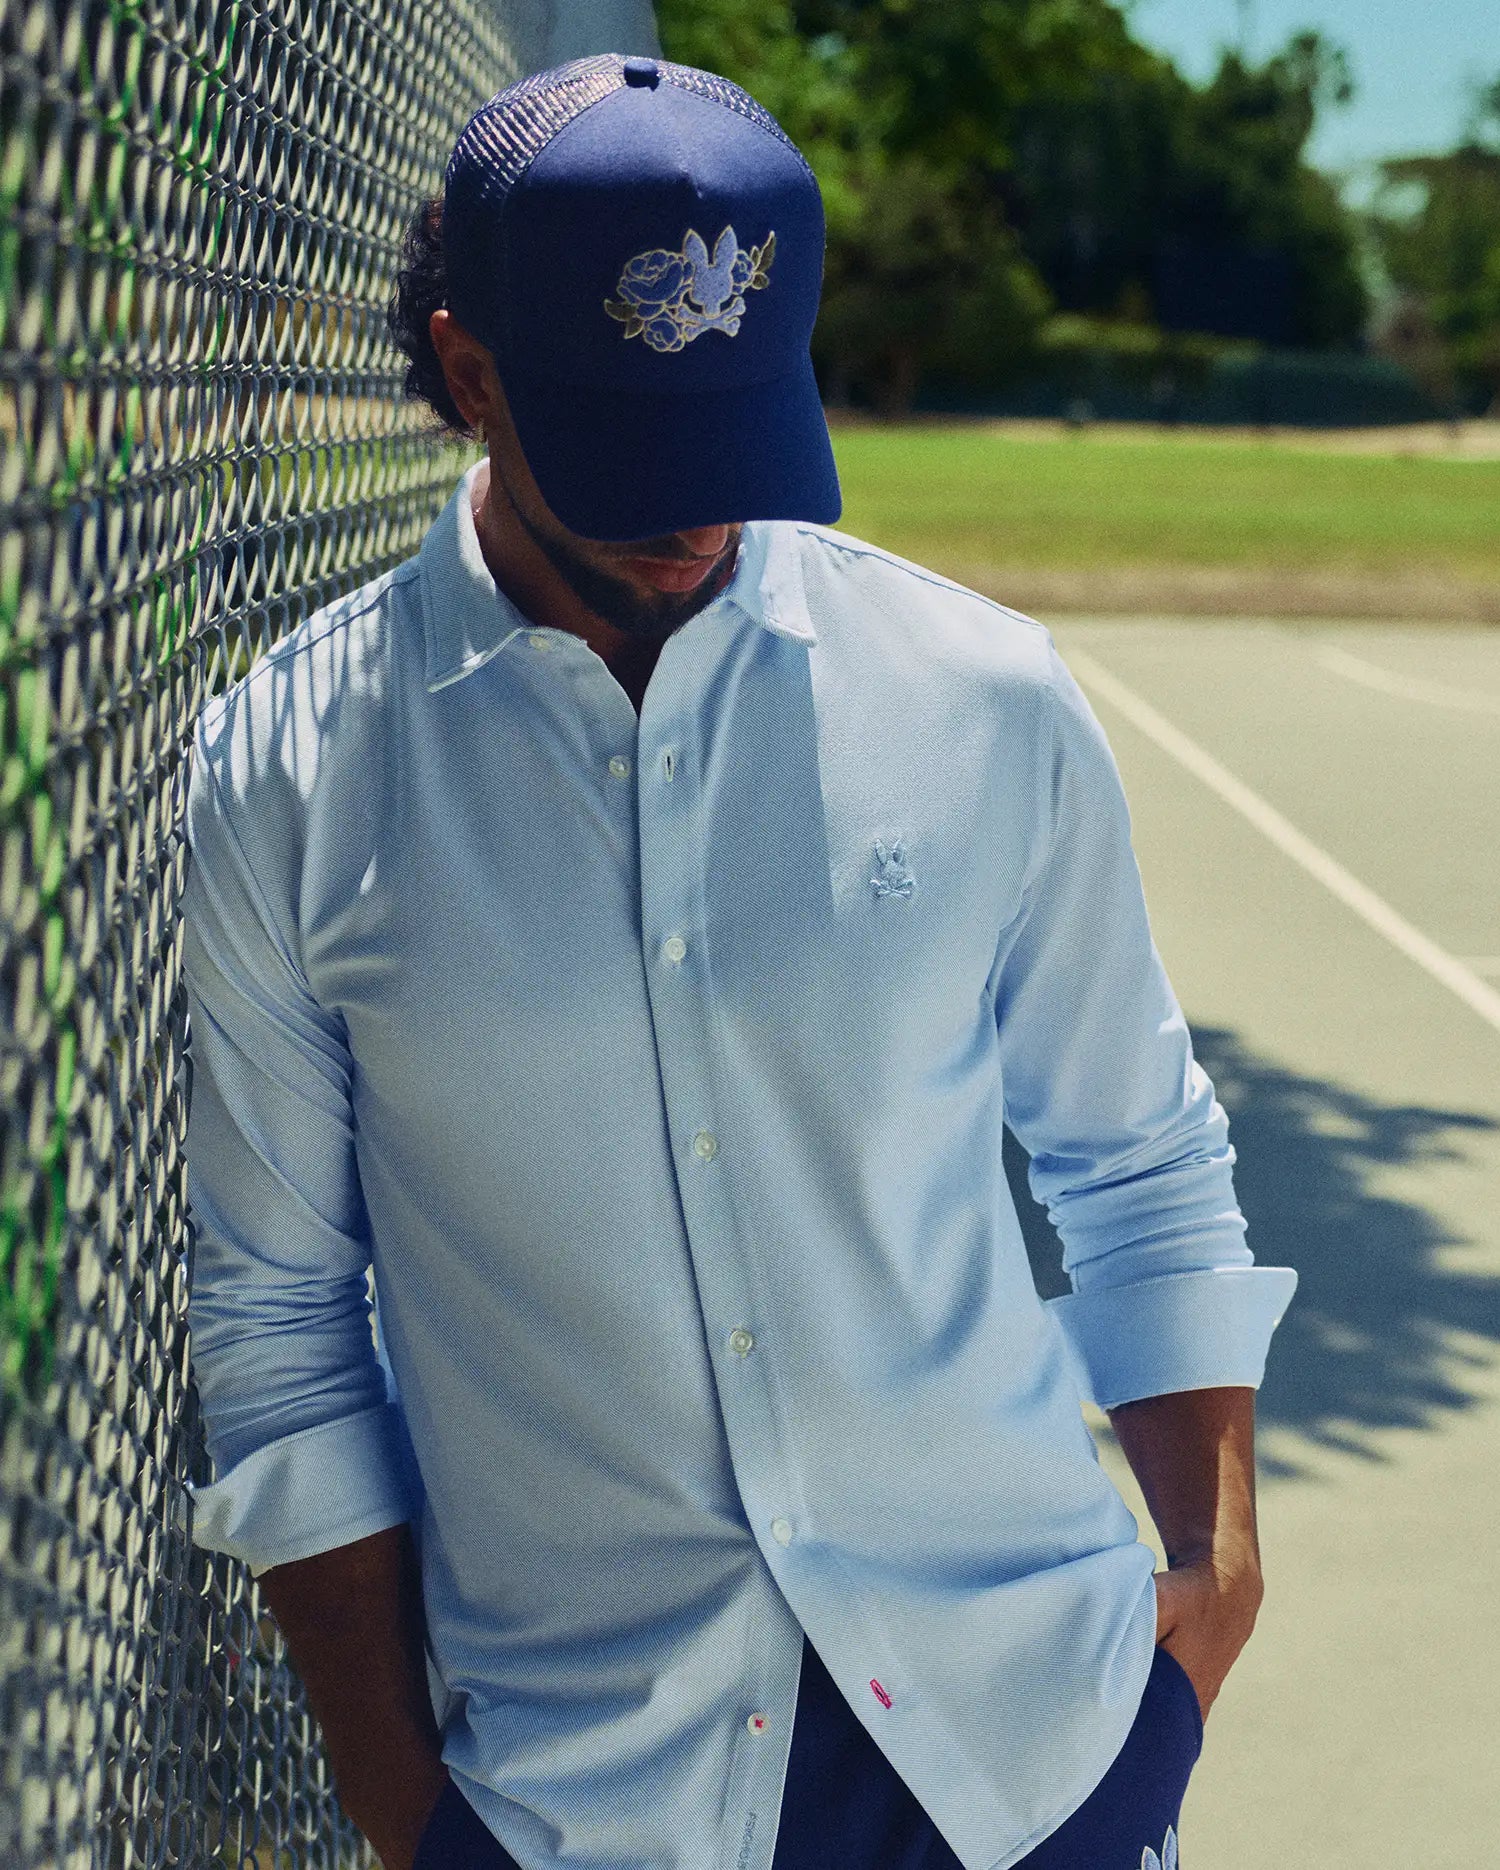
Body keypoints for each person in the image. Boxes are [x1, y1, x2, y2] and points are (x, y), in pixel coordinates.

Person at [180, 51, 1299, 1870]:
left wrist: (1212, 1582)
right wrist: (409, 1823)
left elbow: (1139, 1156)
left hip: (1033, 1749)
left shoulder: (981, 699)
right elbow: (280, 1325)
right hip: (593, 1795)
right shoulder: (292, 772)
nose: (702, 517)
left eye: (738, 435)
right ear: (470, 371)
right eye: (637, 453)